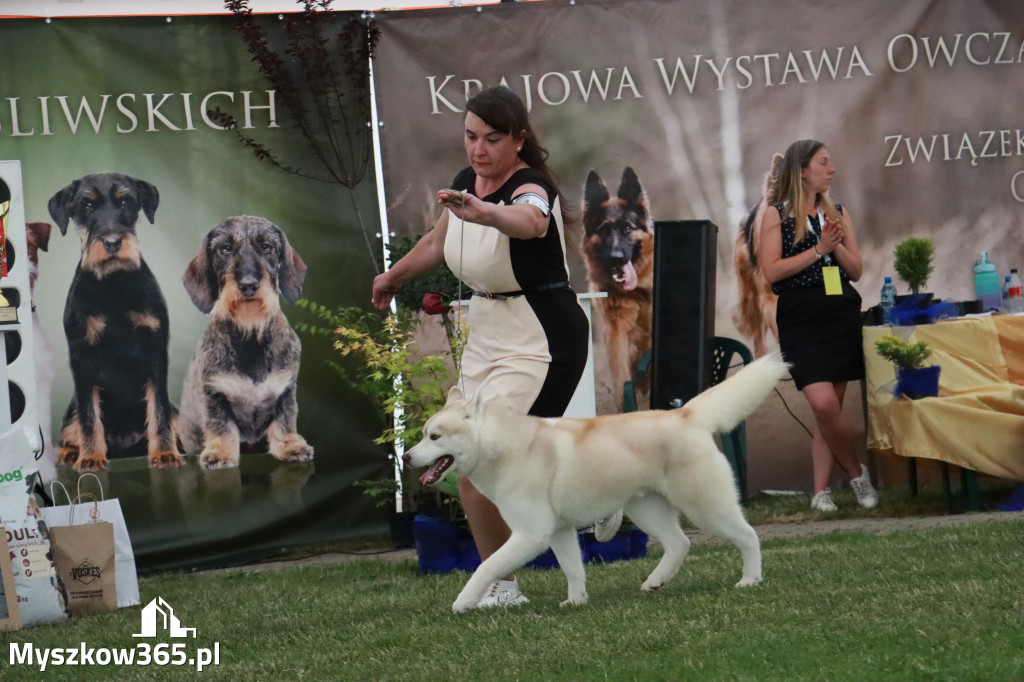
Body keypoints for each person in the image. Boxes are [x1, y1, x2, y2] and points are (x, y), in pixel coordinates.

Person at [372, 85, 591, 607]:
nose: (478, 149)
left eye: (492, 139)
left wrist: (487, 212)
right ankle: (516, 575)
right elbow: (436, 241)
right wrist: (392, 278)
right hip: (488, 331)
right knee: (462, 455)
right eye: (471, 137)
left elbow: (531, 221)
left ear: (518, 140)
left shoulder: (531, 186)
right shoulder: (463, 183)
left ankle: (510, 578)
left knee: (478, 457)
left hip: (542, 336)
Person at [756, 139, 878, 512]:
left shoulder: (837, 212)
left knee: (832, 411)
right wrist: (818, 250)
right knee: (823, 405)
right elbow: (772, 272)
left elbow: (856, 270)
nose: (832, 169)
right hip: (801, 320)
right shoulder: (776, 215)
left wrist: (835, 244)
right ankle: (858, 473)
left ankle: (820, 491)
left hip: (839, 314)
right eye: (824, 163)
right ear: (803, 170)